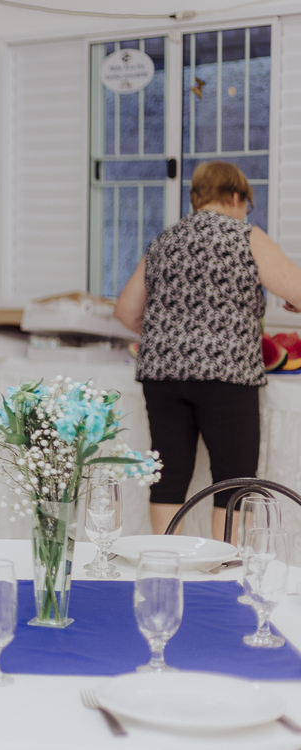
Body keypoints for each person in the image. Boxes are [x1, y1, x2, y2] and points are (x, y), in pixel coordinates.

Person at [115, 161, 301, 540]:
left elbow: (126, 313)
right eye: (247, 204)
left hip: (163, 373)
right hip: (226, 373)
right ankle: (222, 568)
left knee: (168, 476)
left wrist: (173, 329)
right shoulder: (244, 235)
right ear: (235, 196)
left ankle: (165, 560)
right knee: (233, 481)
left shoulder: (164, 241)